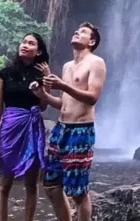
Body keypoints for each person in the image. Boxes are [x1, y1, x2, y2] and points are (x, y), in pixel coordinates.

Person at [35, 23, 106, 221]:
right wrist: (42, 94)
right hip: (61, 128)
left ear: (91, 41)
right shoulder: (67, 66)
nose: (76, 32)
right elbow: (64, 104)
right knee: (51, 186)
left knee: (78, 191)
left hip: (81, 131)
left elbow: (92, 97)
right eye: (76, 30)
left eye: (83, 32)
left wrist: (63, 86)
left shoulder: (96, 62)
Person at [0, 32, 51, 221]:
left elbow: (44, 106)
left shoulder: (40, 75)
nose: (25, 45)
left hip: (33, 129)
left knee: (31, 184)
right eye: (24, 42)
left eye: (31, 43)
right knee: (4, 182)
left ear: (38, 52)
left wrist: (47, 79)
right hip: (10, 129)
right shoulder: (4, 74)